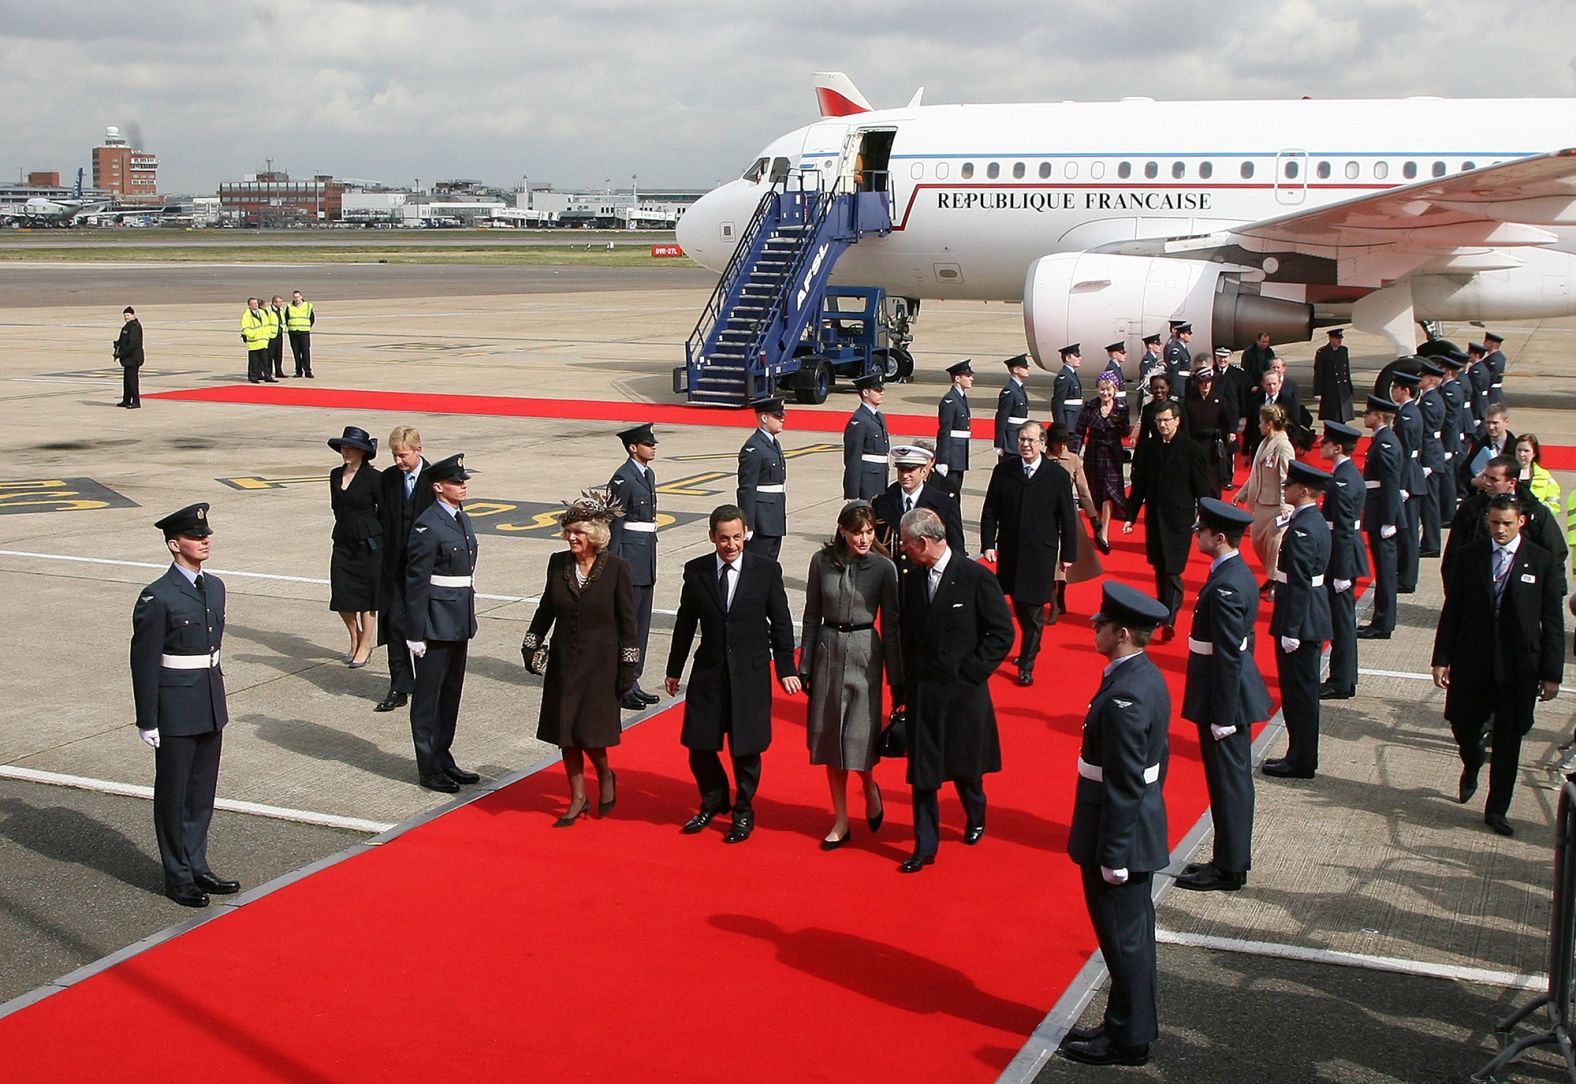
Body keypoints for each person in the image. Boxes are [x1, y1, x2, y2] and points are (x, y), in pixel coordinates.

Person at [1060, 582, 1172, 1069]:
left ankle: (1128, 1040)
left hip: (1117, 833)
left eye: (1102, 624)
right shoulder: (1141, 678)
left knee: (1124, 941)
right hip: (1129, 824)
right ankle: (1125, 1023)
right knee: (1128, 938)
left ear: (1123, 632)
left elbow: (1126, 781)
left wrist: (1115, 852)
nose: (1095, 627)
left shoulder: (1127, 695)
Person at [666, 504, 800, 844]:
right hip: (709, 672)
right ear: (712, 537)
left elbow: (781, 622)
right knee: (699, 744)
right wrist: (673, 669)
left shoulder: (765, 570)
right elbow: (685, 623)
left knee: (745, 748)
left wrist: (785, 668)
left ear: (745, 536)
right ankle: (713, 800)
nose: (731, 545)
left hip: (749, 674)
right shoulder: (696, 571)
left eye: (737, 537)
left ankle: (743, 810)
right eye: (724, 538)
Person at [1432, 493, 1564, 836]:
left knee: (1509, 738)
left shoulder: (1541, 562)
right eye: (1494, 523)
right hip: (1473, 659)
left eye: (1506, 523)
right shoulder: (1470, 557)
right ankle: (1472, 761)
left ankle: (1497, 808)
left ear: (1520, 521)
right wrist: (1441, 658)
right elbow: (1453, 610)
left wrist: (1551, 674)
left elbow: (1551, 623)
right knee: (1462, 723)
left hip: (1519, 667)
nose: (1500, 529)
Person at [893, 507, 1014, 873]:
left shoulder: (974, 576)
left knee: (966, 769)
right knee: (924, 774)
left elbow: (1002, 633)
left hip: (963, 693)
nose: (902, 549)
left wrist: (972, 672)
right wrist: (902, 688)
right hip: (925, 692)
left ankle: (975, 813)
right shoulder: (911, 581)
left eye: (906, 543)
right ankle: (924, 845)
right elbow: (907, 638)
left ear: (924, 541)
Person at [131, 503, 238, 908]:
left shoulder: (215, 586)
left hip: (209, 698)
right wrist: (147, 718)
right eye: (195, 537)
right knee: (174, 794)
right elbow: (143, 659)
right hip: (174, 704)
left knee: (201, 792)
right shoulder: (157, 596)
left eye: (206, 534)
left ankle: (197, 863)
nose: (204, 540)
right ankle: (177, 875)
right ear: (174, 545)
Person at [522, 491, 639, 826]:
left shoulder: (617, 568)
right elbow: (546, 608)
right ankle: (577, 797)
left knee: (591, 733)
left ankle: (604, 775)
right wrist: (531, 643)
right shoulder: (558, 564)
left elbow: (628, 622)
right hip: (564, 662)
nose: (571, 537)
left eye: (578, 532)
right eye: (568, 532)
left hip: (601, 664)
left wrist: (628, 667)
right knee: (566, 732)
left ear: (595, 535)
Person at [1177, 498, 1271, 892]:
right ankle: (1225, 858)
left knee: (1229, 783)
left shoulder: (1228, 584)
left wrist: (1223, 712)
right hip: (1221, 691)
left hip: (1226, 696)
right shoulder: (1229, 573)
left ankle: (1230, 867)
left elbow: (1230, 653)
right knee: (1223, 782)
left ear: (1219, 537)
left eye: (1201, 530)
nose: (1196, 534)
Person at [801, 501, 901, 850]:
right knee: (832, 740)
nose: (863, 538)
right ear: (842, 530)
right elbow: (812, 614)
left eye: (869, 532)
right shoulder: (821, 563)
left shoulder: (884, 568)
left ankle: (869, 785)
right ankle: (841, 819)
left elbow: (892, 624)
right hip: (829, 651)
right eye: (857, 532)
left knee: (859, 738)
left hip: (865, 653)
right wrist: (805, 664)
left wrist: (897, 678)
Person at [403, 453, 481, 794]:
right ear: (438, 487)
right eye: (455, 482)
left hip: (458, 618)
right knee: (428, 698)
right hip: (434, 622)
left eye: (463, 482)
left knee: (450, 694)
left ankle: (443, 755)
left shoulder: (460, 518)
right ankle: (428, 766)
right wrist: (414, 632)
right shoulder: (427, 524)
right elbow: (416, 581)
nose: (462, 486)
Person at [981, 421, 1078, 685]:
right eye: (1022, 439)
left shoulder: (1056, 476)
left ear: (1043, 444)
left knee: (1034, 610)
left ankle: (1026, 663)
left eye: (1031, 440)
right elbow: (991, 510)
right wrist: (988, 543)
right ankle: (1030, 647)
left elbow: (1067, 517)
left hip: (1040, 553)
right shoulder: (1004, 471)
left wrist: (1068, 553)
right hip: (1011, 551)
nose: (1025, 444)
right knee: (1017, 604)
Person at [1263, 462, 1334, 779]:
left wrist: (1291, 628)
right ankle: (1298, 753)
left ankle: (1302, 758)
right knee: (1296, 694)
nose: (1285, 487)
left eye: (1290, 484)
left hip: (1302, 621)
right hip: (1304, 615)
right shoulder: (1306, 520)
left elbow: (1301, 581)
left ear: (1304, 491)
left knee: (1299, 695)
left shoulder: (1305, 527)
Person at [1125, 402, 1209, 639]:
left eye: (1166, 420)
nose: (1162, 425)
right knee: (1160, 567)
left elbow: (1202, 488)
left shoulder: (1192, 450)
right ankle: (1162, 607)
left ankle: (1168, 618)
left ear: (1177, 421)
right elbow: (1139, 484)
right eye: (1158, 420)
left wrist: (1205, 519)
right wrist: (1131, 517)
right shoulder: (1150, 448)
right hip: (1154, 517)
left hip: (1179, 520)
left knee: (1172, 569)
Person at [374, 426, 432, 713]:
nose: (399, 461)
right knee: (394, 623)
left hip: (424, 570)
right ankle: (399, 684)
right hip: (394, 567)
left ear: (418, 450)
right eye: (395, 455)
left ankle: (426, 683)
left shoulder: (435, 480)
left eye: (403, 455)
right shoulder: (388, 479)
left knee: (421, 627)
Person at [1443, 454, 1568, 579]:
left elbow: (1555, 555)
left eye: (1494, 479)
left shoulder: (1534, 512)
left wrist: (1553, 593)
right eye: (1486, 477)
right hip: (1478, 587)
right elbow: (1453, 556)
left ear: (1512, 482)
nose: (1487, 483)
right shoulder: (1470, 509)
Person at [608, 422, 661, 710]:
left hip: (646, 559)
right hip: (629, 560)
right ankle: (623, 683)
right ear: (632, 447)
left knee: (641, 625)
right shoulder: (623, 478)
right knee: (627, 625)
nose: (652, 447)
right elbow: (615, 525)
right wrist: (613, 565)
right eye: (647, 443)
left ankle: (633, 679)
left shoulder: (646, 474)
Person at [1318, 422, 1368, 700]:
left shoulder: (1344, 480)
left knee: (1342, 622)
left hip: (1341, 560)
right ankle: (1343, 677)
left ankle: (1341, 680)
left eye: (1326, 442)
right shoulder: (1343, 475)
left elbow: (1345, 528)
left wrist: (1343, 572)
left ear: (1337, 448)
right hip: (1339, 556)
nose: (1322, 445)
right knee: (1341, 621)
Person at [327, 426, 382, 669]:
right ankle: (355, 635)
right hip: (343, 540)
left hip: (368, 543)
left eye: (351, 448)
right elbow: (335, 507)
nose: (346, 451)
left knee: (368, 599)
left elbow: (384, 510)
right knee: (342, 597)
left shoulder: (374, 478)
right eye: (344, 447)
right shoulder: (334, 474)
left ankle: (365, 644)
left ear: (363, 452)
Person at [1232, 404, 1294, 595]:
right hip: (1261, 503)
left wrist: (1285, 506)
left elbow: (1286, 477)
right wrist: (1242, 493)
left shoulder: (1283, 446)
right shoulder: (1265, 442)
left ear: (1268, 424)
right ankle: (1272, 576)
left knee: (1275, 546)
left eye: (1260, 422)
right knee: (1257, 542)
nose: (1258, 426)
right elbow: (1255, 474)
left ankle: (1275, 580)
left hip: (1276, 506)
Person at [872, 443, 965, 567]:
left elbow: (956, 545)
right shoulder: (883, 502)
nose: (905, 476)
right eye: (901, 470)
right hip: (893, 576)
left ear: (924, 471)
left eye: (910, 470)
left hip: (926, 576)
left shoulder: (944, 503)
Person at [1045, 421, 1102, 622]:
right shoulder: (1042, 460)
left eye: (1064, 443)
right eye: (1057, 443)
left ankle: (1061, 596)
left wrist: (1094, 519)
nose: (1061, 447)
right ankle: (1053, 604)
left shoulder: (1073, 459)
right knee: (1050, 559)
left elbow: (1084, 492)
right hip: (1046, 515)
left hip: (1067, 514)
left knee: (1065, 559)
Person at [1358, 396, 1403, 639]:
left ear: (1380, 417)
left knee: (1385, 572)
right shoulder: (1382, 439)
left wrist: (1389, 519)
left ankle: (1383, 623)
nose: (1365, 417)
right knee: (1382, 570)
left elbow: (1389, 482)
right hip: (1378, 510)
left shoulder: (1385, 442)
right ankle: (1380, 620)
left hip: (1383, 514)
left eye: (1369, 413)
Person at [1077, 373, 1129, 555]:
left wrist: (1119, 422)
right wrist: (1073, 454)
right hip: (1094, 453)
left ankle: (1104, 532)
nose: (1105, 392)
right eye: (1102, 389)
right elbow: (1079, 431)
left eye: (1109, 389)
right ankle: (1099, 525)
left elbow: (1124, 433)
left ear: (1115, 390)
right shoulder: (1090, 407)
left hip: (1112, 456)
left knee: (1109, 492)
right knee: (1096, 493)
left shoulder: (1122, 408)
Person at [738, 396, 789, 560]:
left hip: (774, 515)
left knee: (771, 564)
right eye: (777, 416)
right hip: (762, 519)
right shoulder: (754, 447)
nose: (782, 419)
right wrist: (748, 524)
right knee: (757, 564)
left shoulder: (773, 443)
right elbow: (747, 488)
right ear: (764, 418)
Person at [1390, 369, 1426, 593]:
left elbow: (1404, 452)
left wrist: (1401, 485)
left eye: (1395, 388)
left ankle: (1407, 577)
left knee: (1409, 532)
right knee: (1407, 531)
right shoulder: (1408, 412)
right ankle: (1404, 574)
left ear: (1405, 390)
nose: (1393, 391)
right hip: (1410, 473)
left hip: (1408, 478)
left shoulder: (1407, 415)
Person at [1182, 366, 1233, 497]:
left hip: (1212, 447)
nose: (1206, 385)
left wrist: (1219, 432)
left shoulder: (1219, 401)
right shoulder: (1189, 402)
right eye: (1202, 382)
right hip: (1195, 445)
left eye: (1208, 381)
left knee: (1213, 482)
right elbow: (1185, 426)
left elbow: (1227, 424)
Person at [1417, 359, 1449, 557]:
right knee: (1430, 503)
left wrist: (1427, 464)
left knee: (1429, 504)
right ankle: (1430, 541)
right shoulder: (1432, 398)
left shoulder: (1430, 401)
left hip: (1430, 456)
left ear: (1429, 379)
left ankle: (1431, 544)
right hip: (1433, 453)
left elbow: (1427, 433)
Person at [842, 373, 890, 500]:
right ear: (865, 393)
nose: (881, 393)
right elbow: (852, 459)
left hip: (880, 478)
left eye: (881, 390)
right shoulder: (859, 421)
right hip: (867, 481)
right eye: (877, 390)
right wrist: (852, 494)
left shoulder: (879, 417)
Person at [1242, 370, 1303, 462]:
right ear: (1263, 384)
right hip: (1259, 447)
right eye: (1268, 384)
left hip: (1279, 447)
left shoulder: (1289, 402)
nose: (1272, 387)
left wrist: (1290, 448)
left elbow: (1295, 427)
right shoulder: (1255, 401)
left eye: (1274, 384)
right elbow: (1250, 426)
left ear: (1280, 384)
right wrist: (1245, 452)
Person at [935, 359, 975, 494]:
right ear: (957, 378)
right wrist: (942, 460)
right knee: (949, 494)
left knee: (955, 493)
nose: (971, 379)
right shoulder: (950, 401)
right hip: (952, 456)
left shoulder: (960, 398)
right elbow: (944, 432)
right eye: (968, 376)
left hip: (959, 455)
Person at [1459, 403, 1516, 492]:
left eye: (1495, 423)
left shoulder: (1515, 446)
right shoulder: (1480, 445)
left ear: (1506, 422)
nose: (1491, 427)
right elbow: (1464, 471)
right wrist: (1473, 482)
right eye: (1488, 422)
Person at [993, 354, 1032, 457]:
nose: (1027, 369)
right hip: (1011, 439)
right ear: (1016, 370)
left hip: (1019, 434)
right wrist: (999, 443)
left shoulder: (1018, 388)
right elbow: (1002, 417)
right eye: (1024, 367)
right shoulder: (1009, 390)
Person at [1312, 327, 1354, 422]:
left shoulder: (1343, 350)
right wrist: (1317, 391)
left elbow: (1346, 371)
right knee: (1331, 417)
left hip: (1342, 388)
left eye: (1340, 339)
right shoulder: (1323, 352)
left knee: (1343, 417)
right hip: (1330, 390)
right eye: (1337, 339)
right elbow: (1319, 373)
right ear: (1331, 339)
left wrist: (1349, 388)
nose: (1340, 341)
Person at [1514, 434, 1561, 516]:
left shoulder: (1544, 476)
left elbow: (1553, 505)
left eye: (1526, 451)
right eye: (1519, 450)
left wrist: (1538, 515)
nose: (1522, 454)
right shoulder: (1505, 473)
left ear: (1534, 453)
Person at [1052, 344, 1085, 447]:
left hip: (1075, 421)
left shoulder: (1071, 374)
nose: (1080, 358)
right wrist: (1060, 427)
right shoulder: (1064, 377)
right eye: (1076, 356)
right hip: (1068, 423)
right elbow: (1057, 403)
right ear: (1068, 358)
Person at [114, 305, 143, 409]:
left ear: (133, 315)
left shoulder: (134, 326)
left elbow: (132, 344)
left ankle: (136, 401)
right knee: (127, 380)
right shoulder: (128, 325)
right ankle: (126, 400)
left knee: (132, 381)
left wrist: (121, 353)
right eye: (125, 315)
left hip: (133, 358)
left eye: (128, 315)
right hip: (128, 358)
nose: (126, 317)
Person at [241, 297, 272, 384]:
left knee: (265, 361)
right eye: (254, 303)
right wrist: (253, 335)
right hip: (254, 342)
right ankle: (253, 377)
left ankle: (267, 376)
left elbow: (267, 325)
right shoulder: (246, 316)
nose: (256, 305)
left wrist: (267, 335)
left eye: (256, 303)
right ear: (249, 305)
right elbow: (245, 328)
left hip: (263, 341)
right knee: (253, 362)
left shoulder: (262, 313)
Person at [285, 289, 315, 378]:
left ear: (301, 297)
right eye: (295, 297)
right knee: (296, 353)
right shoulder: (289, 306)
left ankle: (308, 371)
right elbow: (287, 318)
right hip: (293, 333)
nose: (296, 299)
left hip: (304, 332)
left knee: (305, 352)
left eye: (298, 297)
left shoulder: (308, 306)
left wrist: (307, 327)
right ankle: (298, 371)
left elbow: (312, 318)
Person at [1163, 323, 1193, 392]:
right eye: (1188, 333)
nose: (1191, 335)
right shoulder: (1176, 351)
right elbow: (1174, 372)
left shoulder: (1183, 348)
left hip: (1185, 384)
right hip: (1179, 386)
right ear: (1182, 335)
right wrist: (1175, 390)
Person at [1482, 330, 1508, 407]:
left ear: (1491, 343)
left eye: (1485, 342)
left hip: (1492, 395)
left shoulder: (1494, 359)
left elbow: (1491, 378)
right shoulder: (1496, 357)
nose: (1483, 344)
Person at [1100, 342, 1129, 407]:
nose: (1125, 354)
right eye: (1122, 353)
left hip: (1120, 400)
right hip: (1116, 401)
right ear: (1114, 355)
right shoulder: (1111, 369)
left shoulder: (1116, 367)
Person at [267, 294, 288, 378]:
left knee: (279, 354)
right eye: (279, 302)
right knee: (270, 355)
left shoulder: (281, 310)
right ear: (274, 302)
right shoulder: (268, 311)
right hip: (271, 336)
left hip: (279, 334)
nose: (280, 304)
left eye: (281, 302)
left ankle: (279, 371)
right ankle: (268, 372)